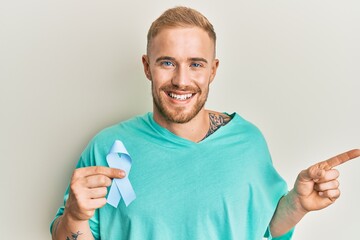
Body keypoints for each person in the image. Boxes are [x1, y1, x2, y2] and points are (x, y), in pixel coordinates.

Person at [50, 6, 360, 240]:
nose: (181, 81)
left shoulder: (247, 141)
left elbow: (260, 226)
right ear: (147, 67)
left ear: (212, 70)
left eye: (195, 64)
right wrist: (75, 217)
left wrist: (297, 205)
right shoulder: (108, 147)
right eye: (167, 63)